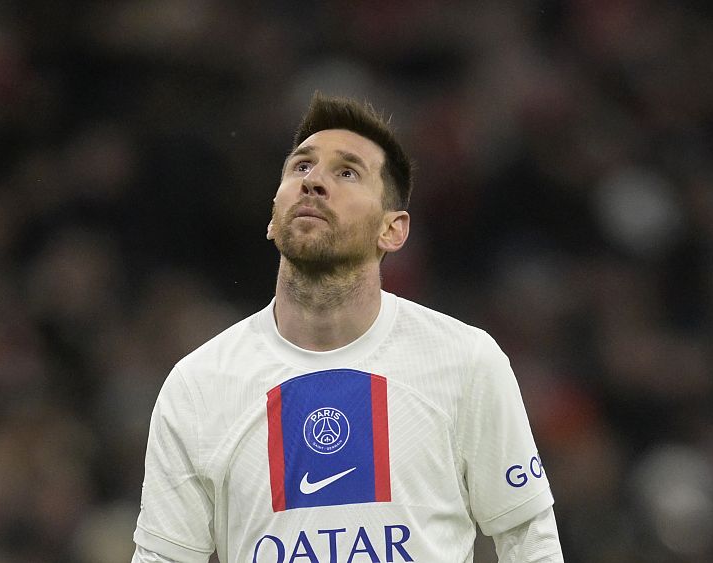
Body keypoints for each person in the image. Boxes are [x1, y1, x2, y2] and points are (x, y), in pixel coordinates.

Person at [131, 93, 564, 562]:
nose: (314, 181)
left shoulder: (465, 361)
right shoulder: (200, 385)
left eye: (347, 173)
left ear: (392, 230)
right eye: (301, 167)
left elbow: (529, 539)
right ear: (273, 218)